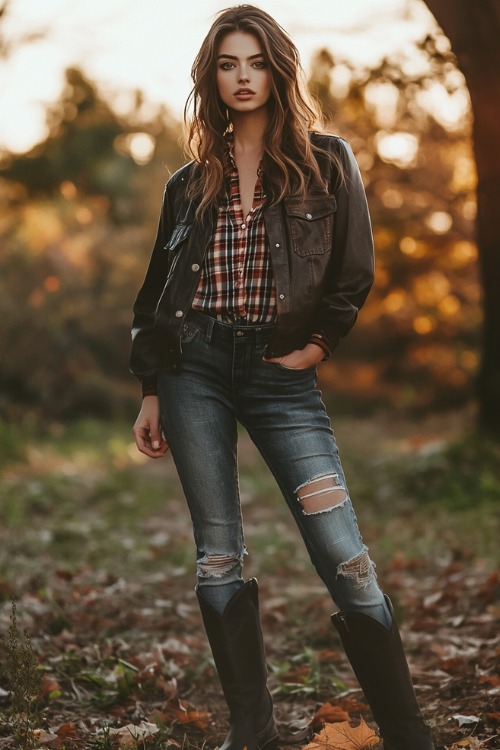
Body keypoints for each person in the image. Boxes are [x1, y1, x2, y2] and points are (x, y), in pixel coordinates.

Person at [130, 5, 435, 750]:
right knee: (219, 551)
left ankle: (406, 732)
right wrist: (149, 387)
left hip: (280, 373)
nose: (243, 77)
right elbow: (156, 292)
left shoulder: (327, 160)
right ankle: (252, 728)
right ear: (213, 76)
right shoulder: (186, 181)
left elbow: (353, 269)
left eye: (256, 62)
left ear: (278, 69)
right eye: (229, 64)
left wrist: (321, 345)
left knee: (344, 554)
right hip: (192, 369)